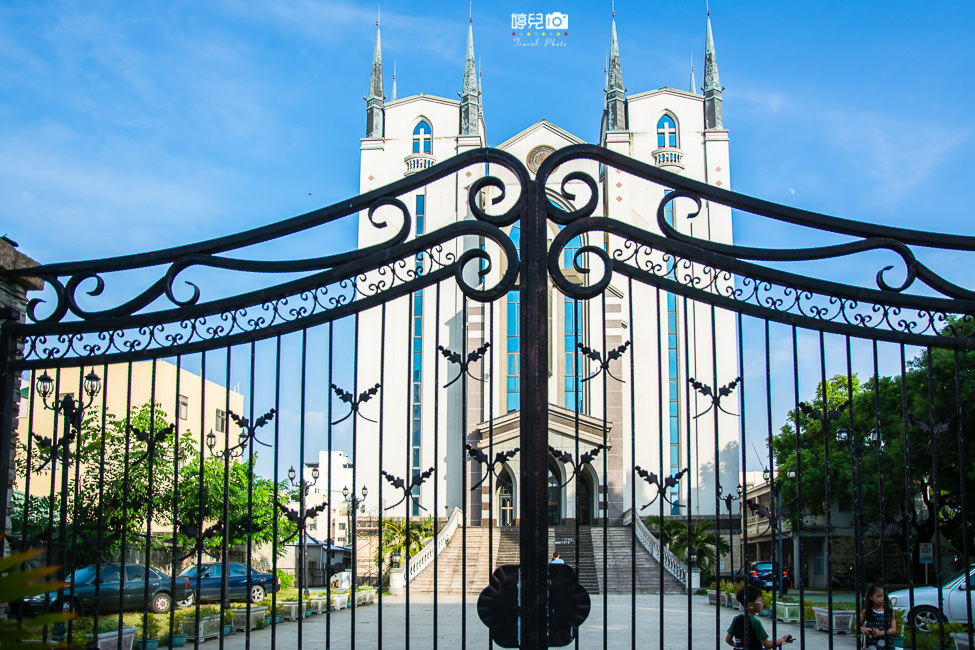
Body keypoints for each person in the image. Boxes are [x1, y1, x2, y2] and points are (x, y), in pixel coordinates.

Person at [725, 586, 793, 649]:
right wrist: (782, 639)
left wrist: (737, 645)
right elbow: (767, 644)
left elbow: (728, 639)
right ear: (751, 605)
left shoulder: (736, 619)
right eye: (760, 601)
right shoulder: (755, 622)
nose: (762, 604)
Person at [859, 582, 896, 649]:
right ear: (871, 597)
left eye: (884, 596)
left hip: (887, 643)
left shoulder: (889, 611)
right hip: (872, 643)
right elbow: (856, 626)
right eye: (879, 596)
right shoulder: (867, 611)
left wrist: (881, 633)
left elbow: (893, 629)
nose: (882, 599)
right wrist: (862, 629)